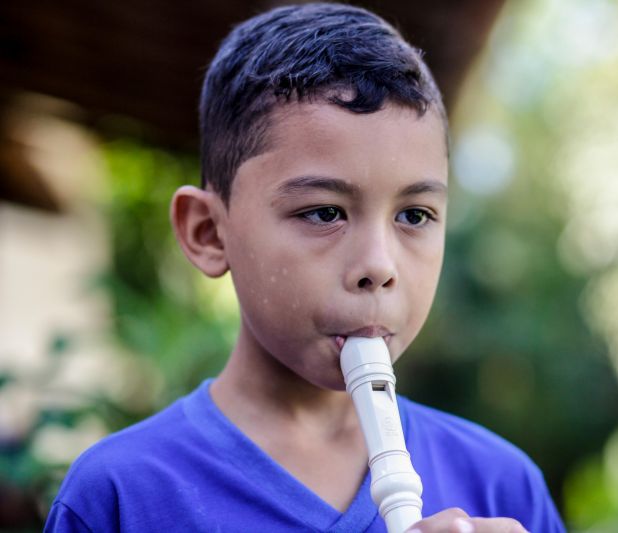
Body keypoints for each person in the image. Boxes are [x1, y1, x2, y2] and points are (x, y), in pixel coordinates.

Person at [44, 3, 565, 532]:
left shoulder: (503, 486)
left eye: (414, 215)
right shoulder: (121, 495)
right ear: (207, 232)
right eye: (324, 213)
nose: (378, 267)